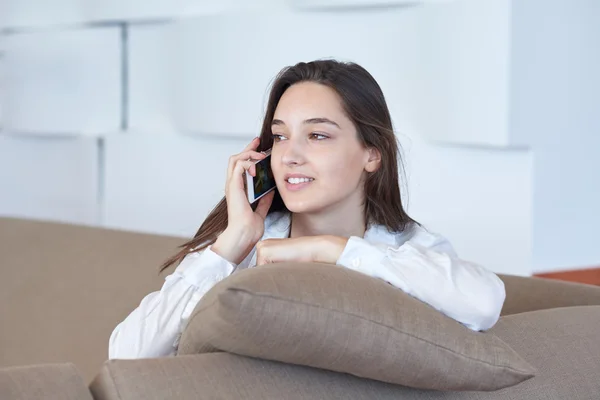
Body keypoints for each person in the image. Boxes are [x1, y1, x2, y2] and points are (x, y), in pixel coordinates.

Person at [109, 60, 506, 360]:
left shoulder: (406, 248)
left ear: (372, 153)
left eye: (317, 135)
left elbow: (483, 303)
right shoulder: (244, 246)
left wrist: (331, 250)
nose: (290, 156)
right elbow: (127, 356)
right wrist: (233, 241)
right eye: (280, 136)